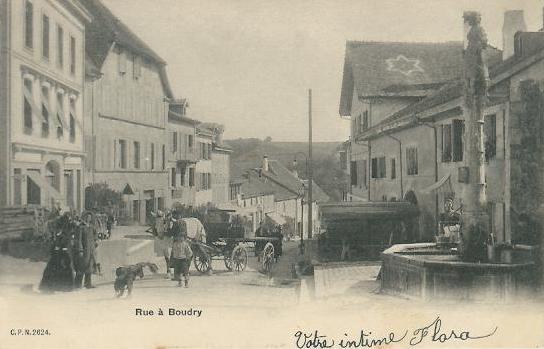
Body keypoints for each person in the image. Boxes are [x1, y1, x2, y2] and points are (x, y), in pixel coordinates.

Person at [39, 214, 75, 293]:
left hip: (60, 254)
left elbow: (64, 243)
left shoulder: (64, 233)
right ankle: (52, 287)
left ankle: (61, 287)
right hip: (58, 254)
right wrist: (57, 248)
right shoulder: (58, 233)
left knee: (59, 269)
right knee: (56, 269)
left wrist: (61, 249)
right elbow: (56, 244)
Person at [73, 214, 97, 289]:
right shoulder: (80, 227)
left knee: (89, 266)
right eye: (87, 217)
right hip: (84, 250)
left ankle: (88, 283)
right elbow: (78, 240)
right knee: (81, 266)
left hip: (91, 250)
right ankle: (77, 284)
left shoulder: (91, 226)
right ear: (84, 217)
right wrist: (80, 250)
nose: (88, 218)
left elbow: (95, 236)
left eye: (89, 217)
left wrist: (95, 242)